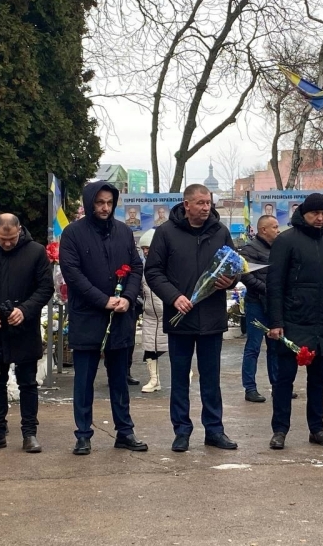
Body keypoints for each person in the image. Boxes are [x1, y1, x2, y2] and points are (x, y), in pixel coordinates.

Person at [145, 184, 239, 453]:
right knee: (179, 378)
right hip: (180, 318)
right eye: (200, 203)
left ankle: (215, 430)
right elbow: (153, 272)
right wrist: (174, 297)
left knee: (211, 378)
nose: (206, 207)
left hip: (211, 319)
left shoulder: (220, 231)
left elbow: (235, 268)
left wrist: (229, 281)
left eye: (208, 202)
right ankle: (182, 431)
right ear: (186, 205)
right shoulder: (165, 233)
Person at [59, 181, 147, 456]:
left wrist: (128, 298)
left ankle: (125, 431)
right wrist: (102, 300)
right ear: (89, 203)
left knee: (119, 378)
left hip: (120, 317)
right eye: (99, 203)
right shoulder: (73, 234)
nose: (105, 208)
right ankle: (83, 434)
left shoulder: (123, 231)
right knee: (84, 379)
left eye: (109, 203)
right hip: (88, 316)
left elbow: (135, 267)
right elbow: (72, 273)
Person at [0, 214, 54, 453]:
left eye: (12, 238)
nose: (7, 243)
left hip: (24, 326)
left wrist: (25, 310)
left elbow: (46, 287)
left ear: (19, 230)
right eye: (2, 238)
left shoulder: (35, 251)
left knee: (28, 383)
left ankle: (29, 434)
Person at [266, 193, 323, 450]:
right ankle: (280, 430)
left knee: (318, 380)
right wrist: (276, 322)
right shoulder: (286, 241)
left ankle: (317, 429)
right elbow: (274, 284)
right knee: (284, 381)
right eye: (315, 214)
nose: (320, 218)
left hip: (320, 324)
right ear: (304, 213)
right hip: (292, 322)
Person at [238, 214, 280, 403]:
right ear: (263, 230)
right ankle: (250, 388)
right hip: (256, 303)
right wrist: (268, 290)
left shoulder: (279, 248)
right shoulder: (249, 249)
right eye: (274, 227)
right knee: (253, 347)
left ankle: (278, 385)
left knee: (275, 346)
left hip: (273, 305)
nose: (278, 231)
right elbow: (245, 276)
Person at [137, 229, 168, 393]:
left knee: (172, 348)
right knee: (149, 348)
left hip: (167, 314)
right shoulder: (142, 266)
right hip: (150, 315)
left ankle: (186, 373)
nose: (146, 251)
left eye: (148, 247)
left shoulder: (168, 264)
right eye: (143, 248)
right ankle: (154, 380)